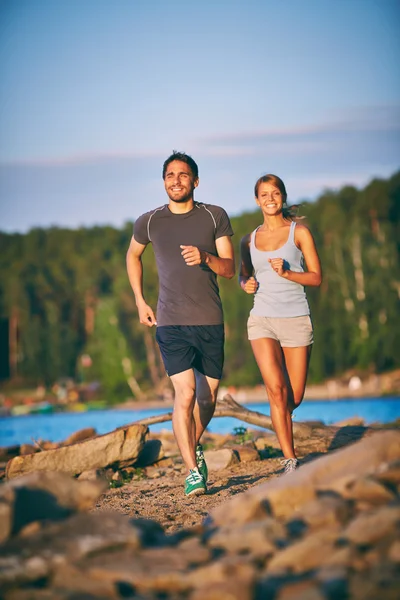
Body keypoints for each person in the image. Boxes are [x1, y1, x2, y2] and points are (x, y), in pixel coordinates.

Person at [126, 151, 235, 496]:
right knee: (185, 394)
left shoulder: (214, 216)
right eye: (170, 175)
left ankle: (192, 446)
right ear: (163, 182)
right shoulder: (150, 221)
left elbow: (229, 269)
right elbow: (132, 255)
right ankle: (191, 471)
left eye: (183, 175)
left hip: (209, 321)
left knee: (208, 399)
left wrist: (205, 257)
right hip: (170, 323)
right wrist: (140, 301)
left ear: (195, 181)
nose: (176, 180)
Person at [239, 174, 322, 474]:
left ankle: (283, 426)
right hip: (261, 319)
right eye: (264, 194)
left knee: (293, 397)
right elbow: (243, 275)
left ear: (283, 197)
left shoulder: (299, 233)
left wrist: (288, 273)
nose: (270, 198)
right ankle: (290, 460)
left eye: (275, 193)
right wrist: (245, 284)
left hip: (296, 318)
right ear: (257, 200)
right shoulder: (248, 239)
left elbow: (315, 277)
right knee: (276, 390)